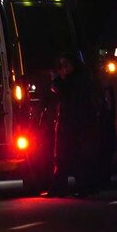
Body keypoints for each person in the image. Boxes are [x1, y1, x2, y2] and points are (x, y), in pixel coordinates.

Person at [48, 53, 98, 197]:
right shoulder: (80, 79)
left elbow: (65, 93)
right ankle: (65, 186)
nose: (63, 70)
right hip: (70, 124)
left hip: (74, 124)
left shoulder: (76, 80)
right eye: (61, 67)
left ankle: (81, 187)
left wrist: (56, 80)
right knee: (65, 157)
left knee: (72, 156)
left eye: (66, 66)